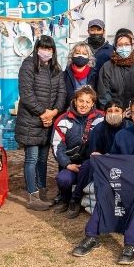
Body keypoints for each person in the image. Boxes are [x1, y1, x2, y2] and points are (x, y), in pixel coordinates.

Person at [71, 94, 134, 265]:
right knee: (106, 191)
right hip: (122, 181)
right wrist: (102, 158)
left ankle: (131, 243)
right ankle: (91, 236)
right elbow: (114, 161)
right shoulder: (122, 135)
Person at [15, 35, 66, 211]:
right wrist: (43, 113)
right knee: (31, 158)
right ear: (37, 48)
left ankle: (42, 190)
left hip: (47, 122)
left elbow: (62, 94)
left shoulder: (56, 69)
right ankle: (33, 195)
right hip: (31, 120)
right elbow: (26, 94)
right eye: (43, 48)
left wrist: (53, 112)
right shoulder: (28, 65)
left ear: (53, 51)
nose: (46, 51)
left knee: (44, 159)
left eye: (49, 48)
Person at [52, 86, 104, 219]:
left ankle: (75, 201)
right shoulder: (62, 119)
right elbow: (57, 146)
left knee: (88, 169)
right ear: (75, 101)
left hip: (92, 164)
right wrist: (67, 164)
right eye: (81, 101)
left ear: (93, 103)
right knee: (63, 179)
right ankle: (65, 198)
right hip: (71, 163)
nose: (84, 105)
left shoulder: (101, 118)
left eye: (88, 102)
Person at [97, 32, 134, 110]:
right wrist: (112, 111)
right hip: (115, 113)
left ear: (131, 45)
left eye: (127, 44)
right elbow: (104, 93)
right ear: (115, 47)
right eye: (120, 45)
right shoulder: (107, 67)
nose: (123, 47)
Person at [63, 42, 98, 107]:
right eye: (77, 53)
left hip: (89, 110)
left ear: (89, 57)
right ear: (72, 55)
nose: (80, 56)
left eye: (84, 54)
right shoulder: (65, 74)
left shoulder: (94, 75)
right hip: (69, 110)